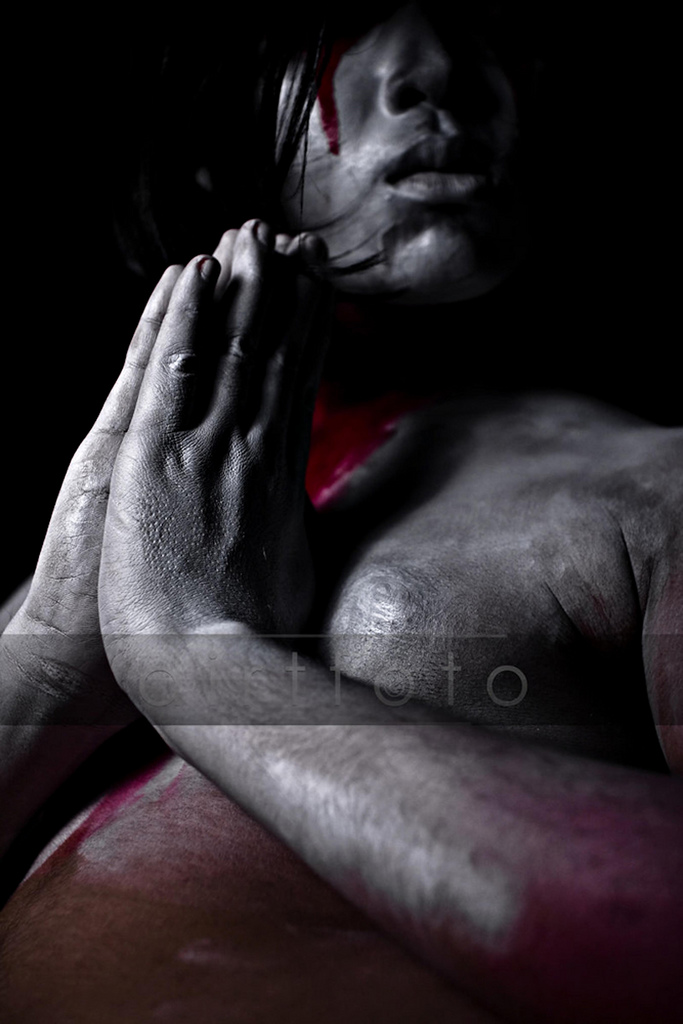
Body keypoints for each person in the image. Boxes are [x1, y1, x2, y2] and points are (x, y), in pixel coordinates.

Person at [1, 4, 681, 1022]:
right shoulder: (90, 549)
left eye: (480, 25)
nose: (430, 71)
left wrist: (192, 653)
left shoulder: (649, 489)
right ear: (216, 151)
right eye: (337, 24)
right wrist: (55, 657)